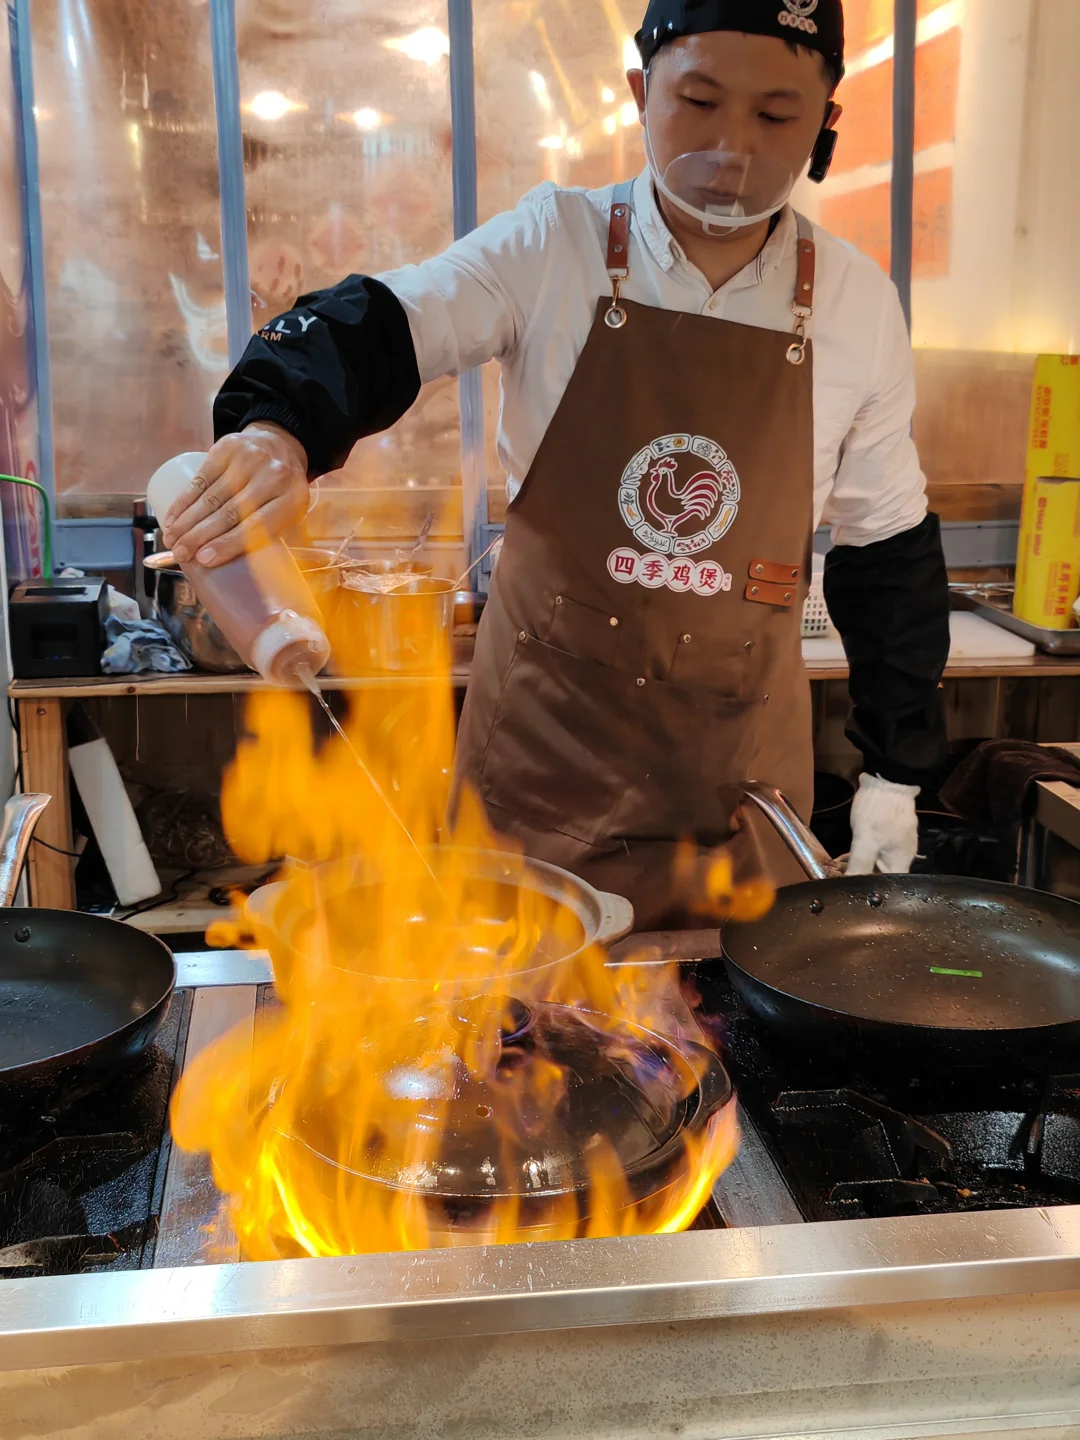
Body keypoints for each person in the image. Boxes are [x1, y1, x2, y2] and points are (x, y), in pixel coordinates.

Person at [162, 0, 950, 925]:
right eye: (697, 101)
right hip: (537, 796)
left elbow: (886, 552)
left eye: (776, 116)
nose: (734, 147)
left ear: (826, 122)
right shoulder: (553, 245)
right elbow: (389, 321)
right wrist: (277, 425)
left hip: (740, 814)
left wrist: (897, 772)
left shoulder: (858, 302)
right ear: (638, 95)